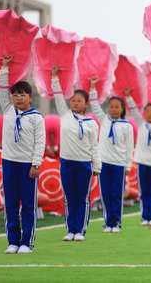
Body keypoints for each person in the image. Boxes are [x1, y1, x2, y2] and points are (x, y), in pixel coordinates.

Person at [0, 55, 45, 254]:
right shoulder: (8, 110)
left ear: (30, 97)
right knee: (10, 204)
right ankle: (12, 241)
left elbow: (40, 142)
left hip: (27, 165)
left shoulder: (36, 118)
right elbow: (1, 90)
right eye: (15, 95)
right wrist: (4, 69)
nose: (18, 98)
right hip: (9, 162)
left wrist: (36, 164)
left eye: (22, 95)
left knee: (27, 205)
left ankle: (27, 242)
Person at [52, 65, 101, 242]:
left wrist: (97, 166)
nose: (75, 103)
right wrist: (55, 78)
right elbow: (58, 97)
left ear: (86, 103)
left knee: (82, 198)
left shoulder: (91, 123)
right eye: (73, 100)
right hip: (66, 162)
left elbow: (95, 146)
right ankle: (70, 229)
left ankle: (80, 230)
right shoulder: (65, 116)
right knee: (69, 197)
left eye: (79, 100)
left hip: (84, 164)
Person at [89, 77, 134, 233]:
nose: (114, 109)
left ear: (122, 109)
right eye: (111, 107)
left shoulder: (127, 126)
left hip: (119, 164)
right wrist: (93, 87)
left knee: (116, 194)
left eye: (117, 107)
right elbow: (94, 105)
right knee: (106, 194)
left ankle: (116, 223)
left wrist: (128, 165)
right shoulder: (104, 120)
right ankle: (108, 222)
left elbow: (129, 147)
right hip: (104, 164)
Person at [125, 89, 151, 226]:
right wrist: (128, 97)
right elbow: (134, 110)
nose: (149, 113)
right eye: (147, 111)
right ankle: (145, 217)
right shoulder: (142, 125)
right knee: (144, 192)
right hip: (142, 164)